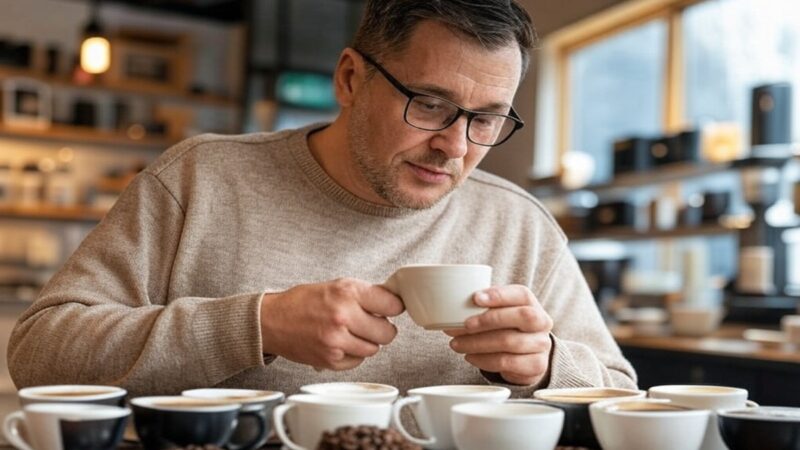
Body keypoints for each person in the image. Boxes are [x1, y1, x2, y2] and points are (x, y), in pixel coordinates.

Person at [8, 0, 636, 397]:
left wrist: (547, 365)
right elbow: (39, 352)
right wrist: (255, 325)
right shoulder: (201, 179)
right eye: (430, 104)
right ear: (349, 79)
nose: (456, 146)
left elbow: (618, 392)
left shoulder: (519, 224)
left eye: (488, 119)